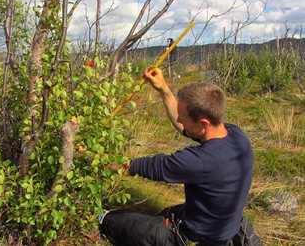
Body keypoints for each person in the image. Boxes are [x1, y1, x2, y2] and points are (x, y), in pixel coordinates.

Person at [99, 67, 259, 246]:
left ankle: (101, 218)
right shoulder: (236, 135)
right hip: (220, 226)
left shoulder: (198, 161)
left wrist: (92, 158)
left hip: (193, 237)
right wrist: (163, 89)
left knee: (113, 222)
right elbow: (186, 128)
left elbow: (139, 167)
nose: (179, 121)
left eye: (183, 117)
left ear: (203, 123)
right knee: (161, 215)